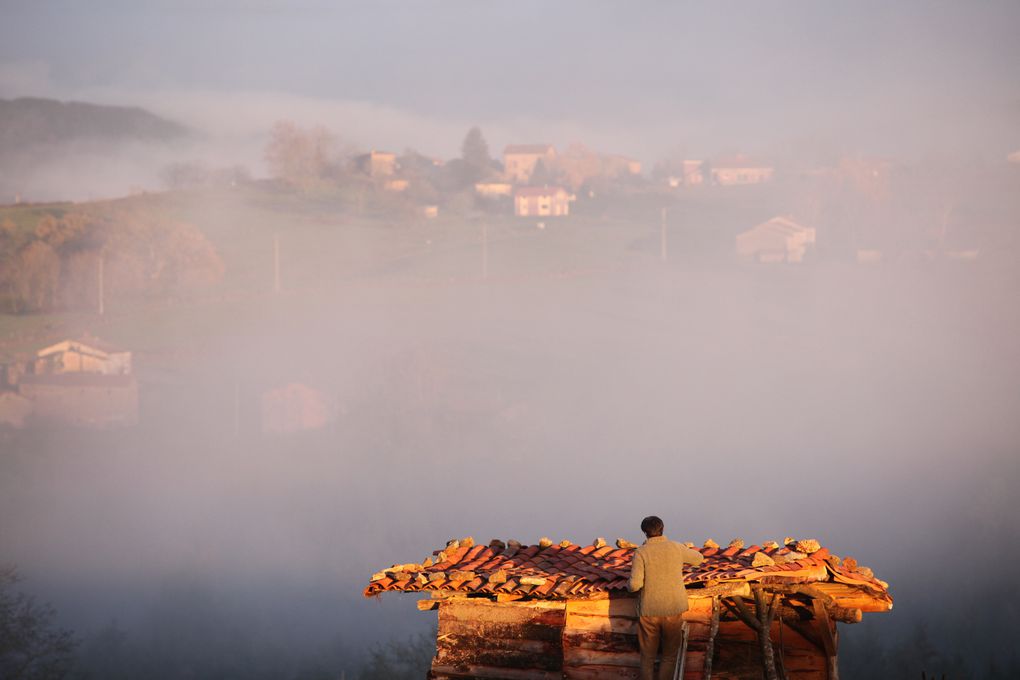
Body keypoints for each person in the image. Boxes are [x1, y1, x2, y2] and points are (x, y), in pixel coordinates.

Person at [628, 515, 705, 680]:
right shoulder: (675, 547)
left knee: (647, 657)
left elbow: (635, 585)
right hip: (673, 609)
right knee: (669, 656)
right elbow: (699, 559)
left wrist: (629, 585)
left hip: (649, 611)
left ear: (645, 532)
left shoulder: (640, 552)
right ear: (663, 529)